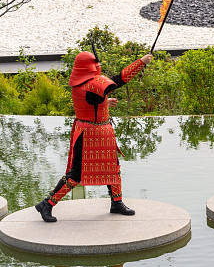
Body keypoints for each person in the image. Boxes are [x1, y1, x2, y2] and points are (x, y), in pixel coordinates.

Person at [35, 51, 153, 222]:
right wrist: (140, 62)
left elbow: (91, 102)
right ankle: (47, 203)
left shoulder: (81, 83)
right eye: (95, 63)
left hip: (97, 132)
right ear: (88, 67)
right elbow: (119, 80)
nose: (99, 65)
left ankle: (117, 202)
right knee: (76, 174)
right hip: (89, 134)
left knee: (113, 168)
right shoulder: (91, 85)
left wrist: (105, 102)